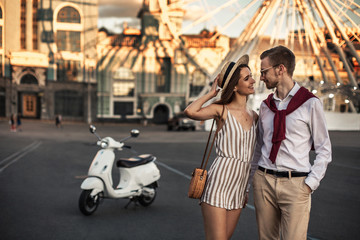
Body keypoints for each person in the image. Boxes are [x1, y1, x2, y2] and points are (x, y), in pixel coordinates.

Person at [252, 45, 332, 240]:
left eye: (264, 72)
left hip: (296, 184)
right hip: (264, 181)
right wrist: (253, 179)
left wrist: (310, 184)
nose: (261, 77)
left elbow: (324, 149)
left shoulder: (310, 103)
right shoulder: (265, 106)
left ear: (281, 69)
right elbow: (258, 147)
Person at [185, 54, 258, 240]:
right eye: (246, 78)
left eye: (251, 76)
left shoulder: (255, 115)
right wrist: (212, 94)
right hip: (219, 183)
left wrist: (246, 189)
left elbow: (253, 156)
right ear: (234, 86)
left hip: (239, 187)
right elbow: (190, 111)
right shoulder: (221, 110)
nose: (253, 80)